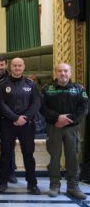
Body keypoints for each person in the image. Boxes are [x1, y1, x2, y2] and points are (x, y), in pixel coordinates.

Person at [41, 63, 88, 200]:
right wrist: (57, 118)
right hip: (53, 127)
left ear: (70, 73)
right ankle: (54, 185)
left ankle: (73, 187)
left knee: (72, 158)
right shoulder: (47, 89)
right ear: (55, 73)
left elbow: (84, 108)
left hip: (72, 128)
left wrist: (67, 119)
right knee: (54, 158)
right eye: (60, 71)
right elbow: (42, 108)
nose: (63, 73)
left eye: (66, 71)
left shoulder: (79, 89)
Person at [0, 58, 40, 195]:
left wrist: (25, 118)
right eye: (14, 65)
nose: (17, 68)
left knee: (28, 154)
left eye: (19, 65)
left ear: (23, 67)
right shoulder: (2, 84)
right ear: (10, 67)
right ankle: (3, 183)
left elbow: (36, 103)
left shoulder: (30, 84)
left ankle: (32, 184)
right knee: (5, 154)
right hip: (8, 124)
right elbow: (1, 104)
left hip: (26, 125)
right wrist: (15, 118)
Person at [0, 55, 18, 184]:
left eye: (2, 65)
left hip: (8, 117)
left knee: (8, 146)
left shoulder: (12, 79)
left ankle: (9, 172)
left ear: (6, 65)